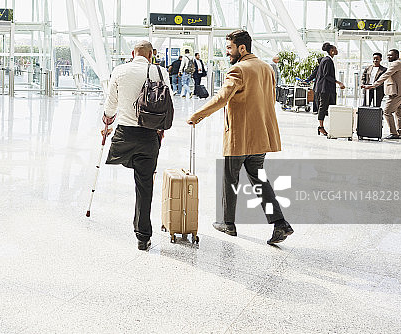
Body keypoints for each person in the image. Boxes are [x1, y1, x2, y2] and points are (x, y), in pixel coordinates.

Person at [187, 30, 294, 246]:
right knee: (260, 180)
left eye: (229, 48)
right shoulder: (266, 68)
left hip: (240, 136)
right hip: (260, 135)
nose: (227, 53)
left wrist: (197, 115)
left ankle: (228, 223)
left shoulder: (238, 70)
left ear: (241, 48)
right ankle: (280, 223)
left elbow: (221, 98)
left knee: (230, 178)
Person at [101, 40, 171, 251]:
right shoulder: (160, 72)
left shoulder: (120, 70)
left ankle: (133, 162)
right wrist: (161, 129)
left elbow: (111, 102)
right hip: (149, 135)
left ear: (133, 53)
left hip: (124, 135)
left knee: (127, 160)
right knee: (144, 184)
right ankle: (142, 236)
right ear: (151, 55)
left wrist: (107, 120)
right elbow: (166, 101)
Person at [362, 49, 401, 139]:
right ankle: (399, 132)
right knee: (399, 113)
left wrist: (373, 85)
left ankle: (393, 133)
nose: (388, 57)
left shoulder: (396, 64)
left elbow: (386, 75)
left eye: (390, 55)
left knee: (387, 112)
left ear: (396, 55)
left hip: (396, 92)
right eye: (387, 55)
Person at [305, 42, 345, 136]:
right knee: (322, 107)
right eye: (335, 49)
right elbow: (326, 75)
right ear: (331, 51)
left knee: (327, 107)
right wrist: (339, 83)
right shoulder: (327, 61)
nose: (337, 50)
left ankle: (328, 126)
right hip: (324, 88)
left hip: (324, 88)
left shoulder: (325, 60)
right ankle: (321, 127)